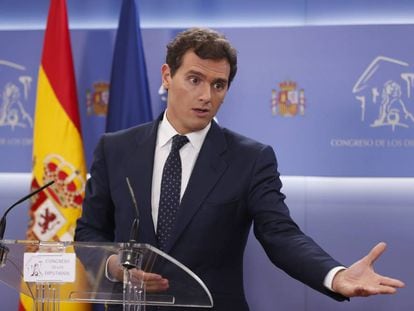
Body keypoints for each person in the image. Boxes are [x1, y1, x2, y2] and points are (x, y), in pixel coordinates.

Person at [75, 27, 404, 310]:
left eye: (219, 85)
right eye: (194, 79)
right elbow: (89, 232)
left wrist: (335, 275)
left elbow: (281, 235)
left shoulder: (251, 158)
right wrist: (115, 266)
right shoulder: (115, 148)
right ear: (166, 76)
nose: (206, 95)